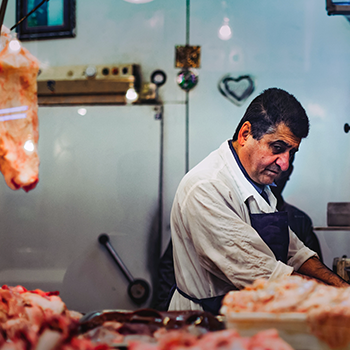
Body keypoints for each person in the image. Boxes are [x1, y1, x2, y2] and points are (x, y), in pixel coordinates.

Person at [167, 87, 348, 315]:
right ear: (245, 135)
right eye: (278, 148)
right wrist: (334, 299)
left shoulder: (257, 182)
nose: (284, 164)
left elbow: (294, 252)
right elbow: (262, 273)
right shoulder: (206, 186)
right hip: (206, 321)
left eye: (291, 153)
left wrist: (341, 287)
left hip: (246, 314)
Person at [270, 156, 324, 263]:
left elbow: (314, 268)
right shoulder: (240, 209)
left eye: (279, 167)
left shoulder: (300, 220)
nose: (273, 172)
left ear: (289, 171)